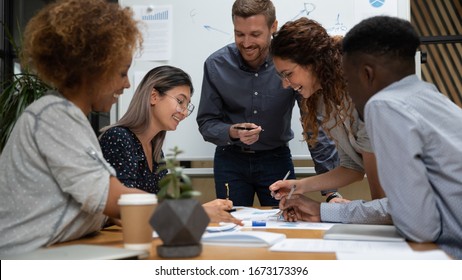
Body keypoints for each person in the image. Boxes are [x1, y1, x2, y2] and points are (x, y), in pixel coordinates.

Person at [282, 16, 462, 259]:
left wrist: (323, 210)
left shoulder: (383, 105)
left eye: (347, 77)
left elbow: (418, 225)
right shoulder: (428, 96)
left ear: (366, 74)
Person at [0, 0, 144, 256]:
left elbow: (87, 203)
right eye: (122, 73)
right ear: (94, 69)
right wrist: (189, 212)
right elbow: (113, 200)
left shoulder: (64, 114)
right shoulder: (53, 116)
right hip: (29, 260)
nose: (127, 85)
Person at [196, 0, 338, 207]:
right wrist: (233, 132)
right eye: (239, 34)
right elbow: (207, 122)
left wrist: (331, 192)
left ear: (273, 27)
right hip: (230, 160)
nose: (246, 43)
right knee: (231, 224)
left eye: (255, 34)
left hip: (276, 159)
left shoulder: (289, 66)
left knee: (284, 222)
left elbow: (314, 126)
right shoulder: (215, 65)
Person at [268, 17, 388, 223]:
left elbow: (382, 204)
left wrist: (323, 211)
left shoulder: (362, 94)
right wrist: (298, 186)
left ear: (313, 63)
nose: (285, 85)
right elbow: (353, 167)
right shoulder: (324, 98)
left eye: (288, 74)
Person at [99, 65, 241, 225]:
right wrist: (196, 212)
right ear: (153, 96)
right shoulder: (119, 137)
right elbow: (124, 210)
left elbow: (157, 208)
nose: (185, 112)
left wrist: (201, 209)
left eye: (187, 106)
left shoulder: (156, 150)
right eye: (180, 101)